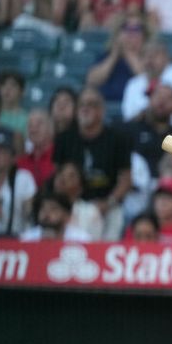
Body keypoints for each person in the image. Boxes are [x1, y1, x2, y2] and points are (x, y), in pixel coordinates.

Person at [53, 87, 132, 241]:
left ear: (102, 111)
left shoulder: (117, 139)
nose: (85, 108)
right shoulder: (64, 139)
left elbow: (126, 180)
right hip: (71, 204)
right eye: (82, 104)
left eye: (92, 104)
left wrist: (107, 203)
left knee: (113, 223)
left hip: (108, 205)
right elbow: (56, 177)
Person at [86, 14, 148, 102]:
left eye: (136, 29)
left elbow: (145, 79)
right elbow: (92, 81)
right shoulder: (106, 55)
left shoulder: (148, 56)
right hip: (105, 104)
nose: (130, 33)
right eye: (126, 28)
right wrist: (114, 54)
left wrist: (127, 52)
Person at [0, 132, 37, 238]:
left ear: (13, 158)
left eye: (2, 152)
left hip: (18, 239)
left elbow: (30, 213)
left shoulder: (23, 178)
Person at [52, 161, 105, 242]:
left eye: (71, 176)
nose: (63, 178)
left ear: (80, 187)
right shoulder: (44, 208)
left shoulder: (90, 211)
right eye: (61, 173)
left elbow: (95, 244)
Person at [20, 191, 92, 242]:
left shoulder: (82, 239)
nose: (46, 213)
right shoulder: (27, 239)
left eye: (53, 209)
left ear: (67, 215)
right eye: (43, 208)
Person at [17, 109, 56, 190]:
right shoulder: (20, 162)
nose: (33, 129)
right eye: (30, 125)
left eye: (39, 124)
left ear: (51, 128)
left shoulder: (60, 156)